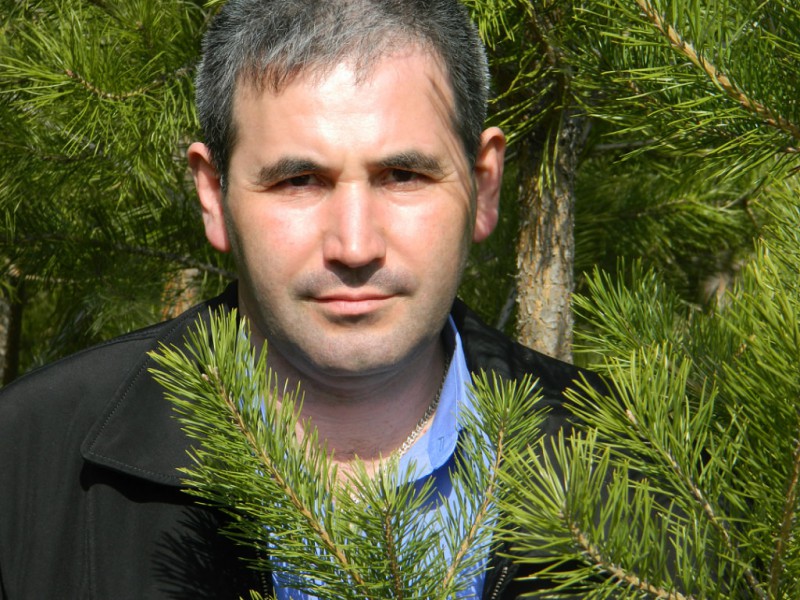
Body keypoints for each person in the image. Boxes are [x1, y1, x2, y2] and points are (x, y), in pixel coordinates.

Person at [0, 0, 600, 597]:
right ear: (214, 196)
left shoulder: (634, 459)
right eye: (300, 181)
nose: (355, 246)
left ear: (484, 186)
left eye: (403, 176)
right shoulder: (27, 461)